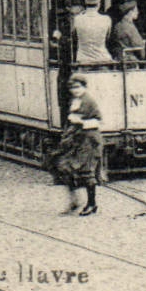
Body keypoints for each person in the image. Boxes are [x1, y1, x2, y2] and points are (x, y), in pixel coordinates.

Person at [52, 73, 102, 215]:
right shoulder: (76, 100)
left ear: (84, 87)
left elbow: (98, 121)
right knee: (63, 166)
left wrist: (79, 121)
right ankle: (75, 200)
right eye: (73, 88)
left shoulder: (88, 101)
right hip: (76, 139)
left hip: (88, 140)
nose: (75, 90)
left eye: (78, 87)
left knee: (86, 171)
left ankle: (92, 204)